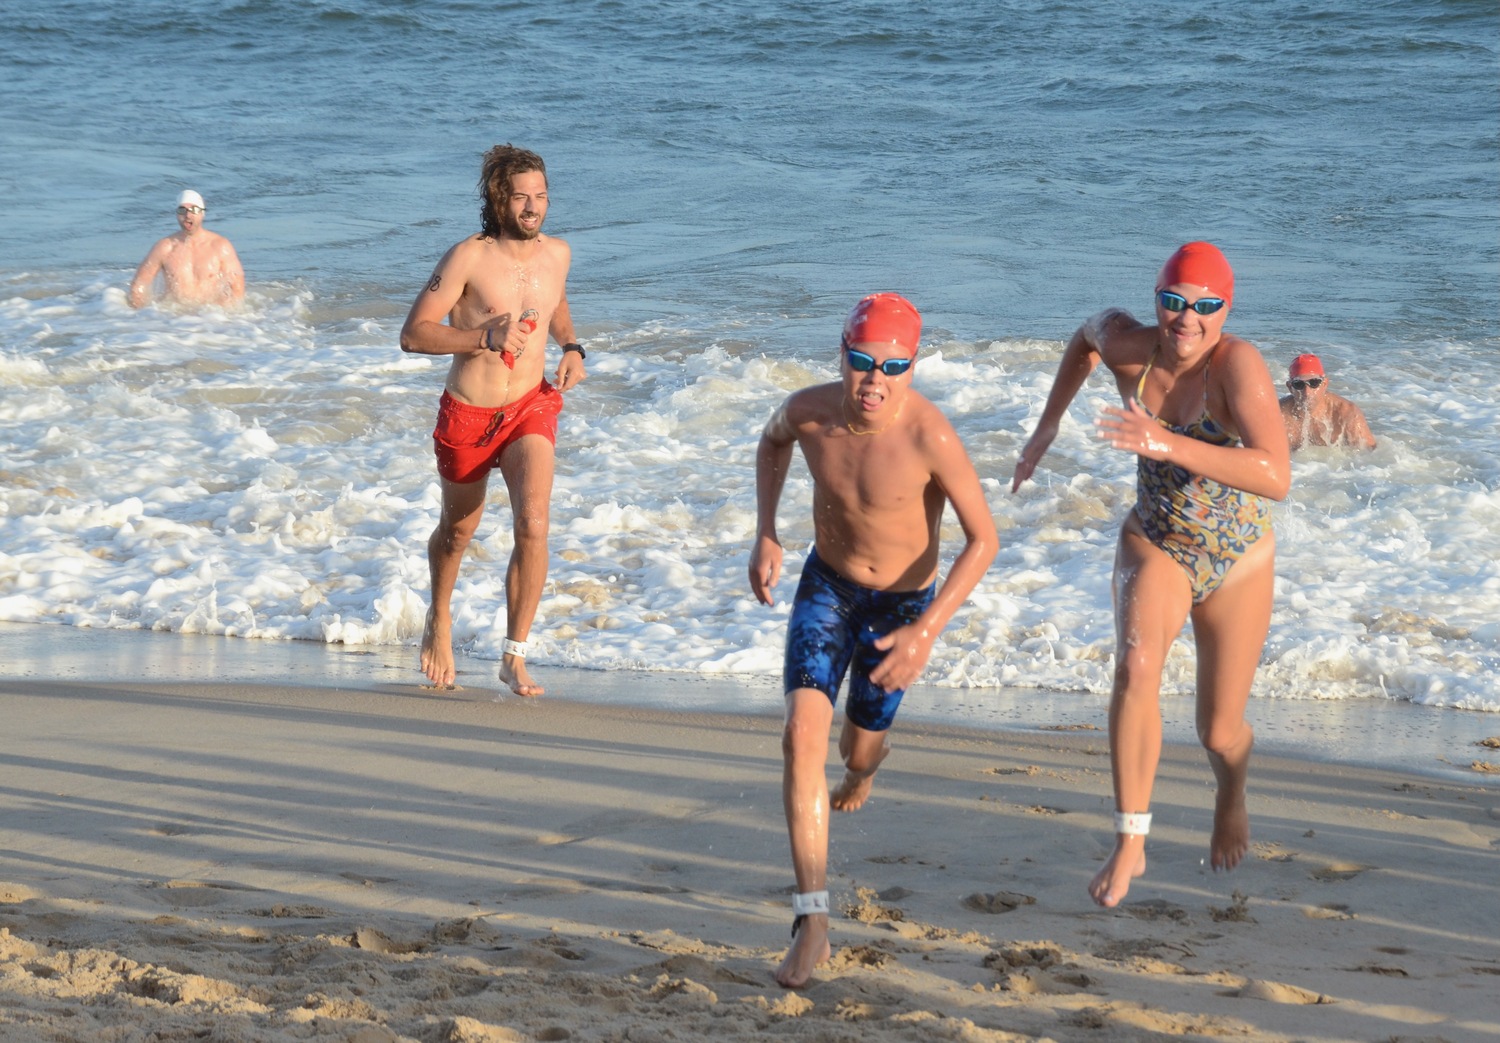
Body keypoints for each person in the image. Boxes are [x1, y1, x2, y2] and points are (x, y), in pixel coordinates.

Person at [1011, 242, 1290, 909]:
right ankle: (1131, 835)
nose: (1186, 319)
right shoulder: (1129, 347)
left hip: (1239, 558)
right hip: (1156, 539)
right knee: (1137, 665)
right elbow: (1086, 333)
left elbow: (1275, 473)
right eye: (1173, 302)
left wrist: (1166, 442)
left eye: (1205, 306)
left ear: (1226, 309)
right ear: (1156, 299)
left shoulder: (1237, 365)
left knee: (1219, 732)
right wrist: (1048, 424)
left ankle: (1232, 789)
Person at [750, 293, 998, 988]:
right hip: (827, 587)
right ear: (842, 352)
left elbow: (985, 540)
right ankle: (813, 917)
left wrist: (925, 632)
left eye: (893, 366)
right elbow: (771, 442)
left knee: (854, 747)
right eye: (861, 362)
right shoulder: (808, 410)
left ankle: (864, 768)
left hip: (902, 609)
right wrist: (766, 529)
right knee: (802, 732)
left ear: (914, 367)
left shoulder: (930, 436)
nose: (874, 380)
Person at [399, 144, 587, 697]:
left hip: (531, 404)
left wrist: (572, 346)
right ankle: (440, 618)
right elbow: (413, 333)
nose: (533, 207)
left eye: (542, 196)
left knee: (533, 523)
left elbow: (555, 303)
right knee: (458, 532)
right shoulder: (468, 257)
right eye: (522, 197)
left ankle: (514, 654)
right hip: (469, 413)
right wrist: (484, 336)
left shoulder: (559, 253)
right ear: (498, 199)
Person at [128, 190, 245, 310]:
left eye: (194, 210)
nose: (187, 215)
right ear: (177, 214)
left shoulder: (220, 246)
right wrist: (140, 319)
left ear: (202, 213)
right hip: (172, 319)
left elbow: (237, 289)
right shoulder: (164, 247)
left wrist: (226, 319)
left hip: (210, 318)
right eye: (182, 210)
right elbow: (139, 285)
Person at [1278, 353, 1376, 450]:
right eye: (1298, 384)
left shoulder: (1347, 413)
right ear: (1290, 387)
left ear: (1325, 384)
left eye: (1314, 383)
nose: (1307, 392)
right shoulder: (1276, 414)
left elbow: (1370, 456)